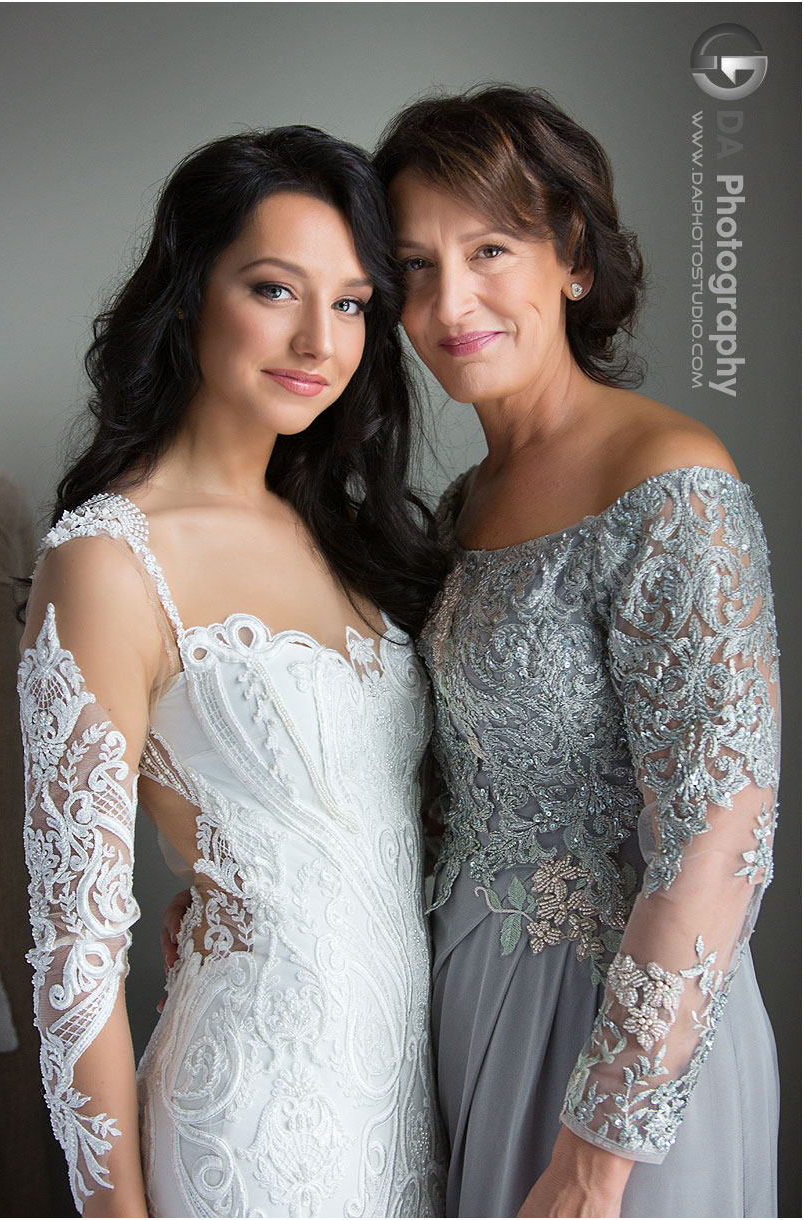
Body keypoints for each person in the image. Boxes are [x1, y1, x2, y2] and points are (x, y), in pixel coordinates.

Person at [18, 126, 448, 1218]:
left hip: (406, 1108)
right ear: (190, 292)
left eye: (352, 303)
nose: (319, 337)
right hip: (254, 1122)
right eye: (275, 288)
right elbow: (74, 965)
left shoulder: (344, 532)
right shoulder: (107, 561)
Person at [373, 86, 780, 1218]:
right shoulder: (461, 505)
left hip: (621, 1038)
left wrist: (600, 1150)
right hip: (473, 997)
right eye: (413, 266)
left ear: (575, 263)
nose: (450, 300)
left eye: (490, 248)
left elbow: (721, 831)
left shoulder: (669, 479)